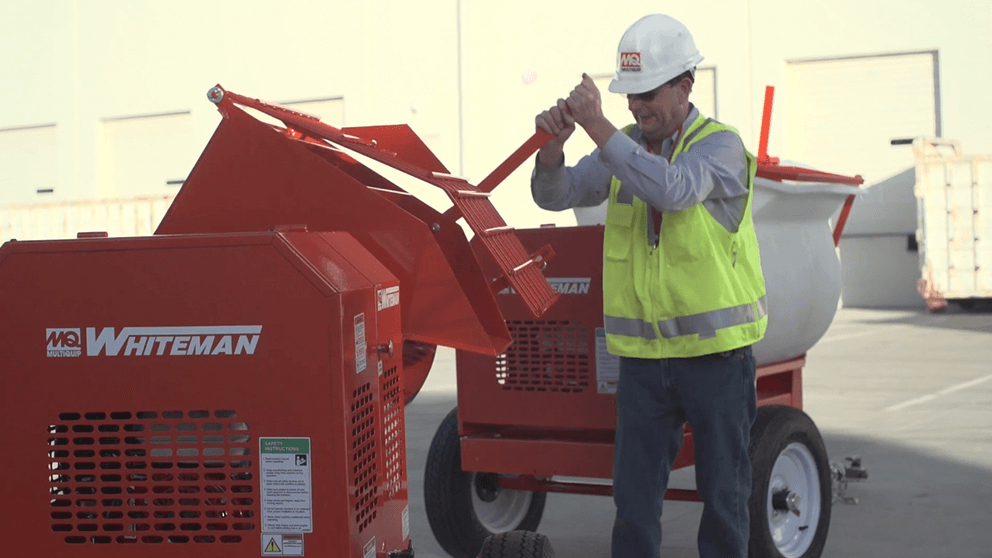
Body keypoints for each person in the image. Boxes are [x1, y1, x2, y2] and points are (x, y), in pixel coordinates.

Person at [530, 14, 768, 558]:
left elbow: (676, 191)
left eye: (647, 93)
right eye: (628, 96)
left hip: (716, 356)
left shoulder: (721, 148)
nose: (636, 107)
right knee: (634, 505)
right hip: (643, 359)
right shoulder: (626, 146)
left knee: (725, 500)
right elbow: (558, 193)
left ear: (686, 85)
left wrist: (600, 130)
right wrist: (552, 148)